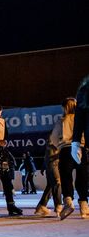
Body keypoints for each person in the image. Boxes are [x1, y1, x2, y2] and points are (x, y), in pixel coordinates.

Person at [56, 89, 88, 219]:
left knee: (66, 176)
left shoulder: (61, 121)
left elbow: (53, 138)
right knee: (82, 177)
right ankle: (84, 205)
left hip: (66, 150)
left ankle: (68, 200)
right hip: (80, 148)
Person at [35, 141, 62, 217]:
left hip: (51, 165)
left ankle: (42, 205)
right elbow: (51, 154)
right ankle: (58, 206)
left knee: (50, 185)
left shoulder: (53, 139)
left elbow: (47, 154)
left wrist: (44, 166)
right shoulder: (56, 138)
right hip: (53, 165)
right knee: (57, 183)